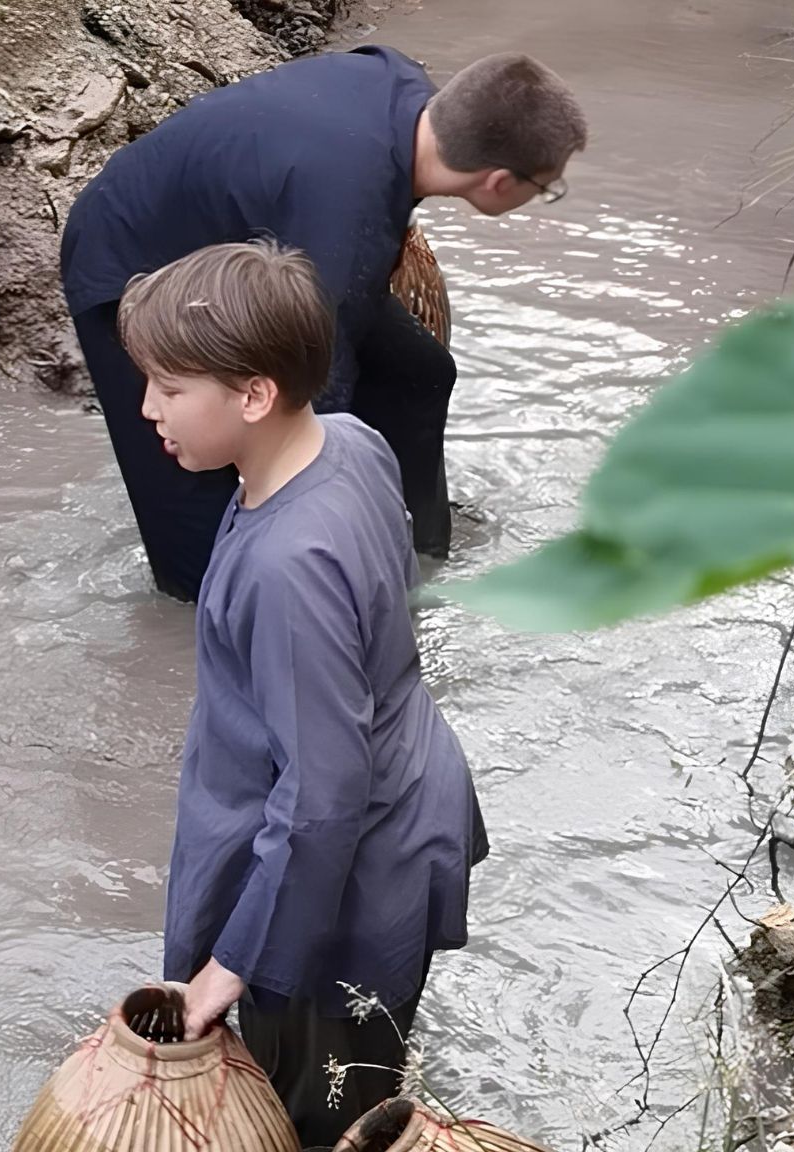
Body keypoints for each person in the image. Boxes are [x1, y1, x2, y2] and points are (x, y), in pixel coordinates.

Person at [119, 239, 488, 1146]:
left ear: (252, 395)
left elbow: (322, 795)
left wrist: (229, 968)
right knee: (364, 1075)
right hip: (404, 807)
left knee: (316, 1118)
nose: (146, 408)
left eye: (169, 387)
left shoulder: (289, 567)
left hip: (342, 889)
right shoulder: (351, 444)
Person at [61, 45, 587, 601]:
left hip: (258, 256)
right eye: (547, 186)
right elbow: (316, 394)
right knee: (198, 521)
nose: (544, 194)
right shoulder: (345, 206)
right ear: (501, 182)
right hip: (133, 267)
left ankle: (417, 547)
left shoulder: (401, 89)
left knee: (417, 373)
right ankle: (198, 624)